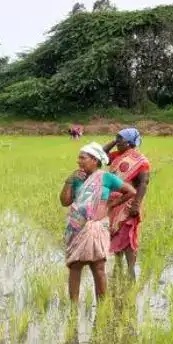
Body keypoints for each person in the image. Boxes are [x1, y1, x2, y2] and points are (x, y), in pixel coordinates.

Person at [60, 143, 136, 303]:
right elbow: (65, 202)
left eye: (83, 158)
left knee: (98, 267)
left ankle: (102, 307)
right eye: (79, 158)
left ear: (94, 160)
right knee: (74, 266)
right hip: (77, 227)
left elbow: (131, 191)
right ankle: (73, 308)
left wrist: (111, 205)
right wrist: (69, 181)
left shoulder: (106, 177)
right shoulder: (76, 178)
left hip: (97, 227)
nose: (79, 161)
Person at [102, 127, 152, 279]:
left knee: (128, 237)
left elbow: (143, 183)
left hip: (129, 203)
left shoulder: (141, 161)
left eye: (121, 139)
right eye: (116, 138)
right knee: (115, 234)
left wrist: (136, 205)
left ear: (130, 142)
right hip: (113, 203)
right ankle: (118, 267)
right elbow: (101, 155)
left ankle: (130, 270)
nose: (117, 142)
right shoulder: (117, 155)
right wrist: (114, 141)